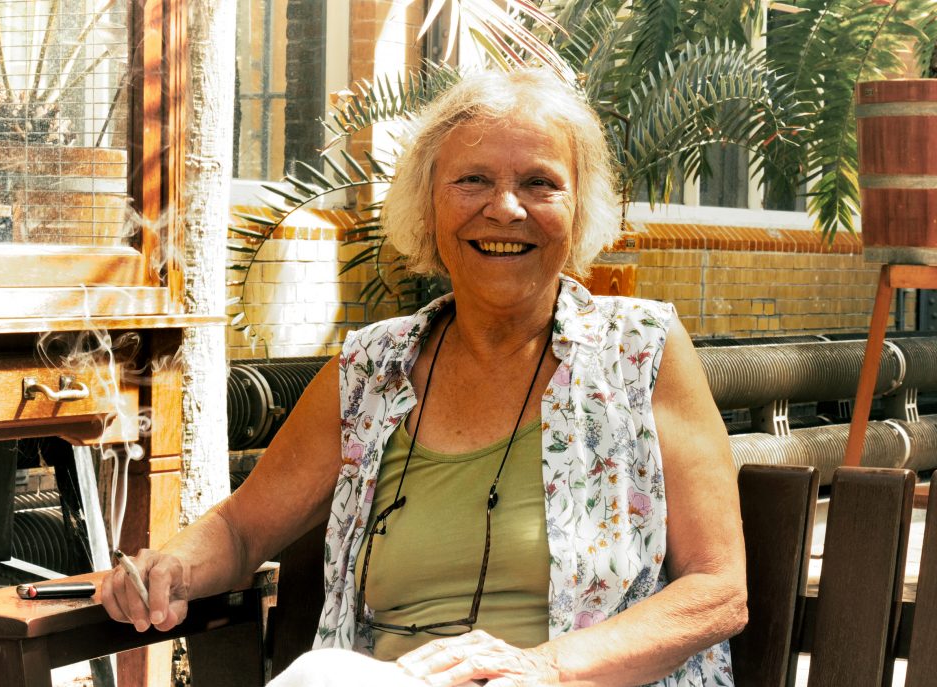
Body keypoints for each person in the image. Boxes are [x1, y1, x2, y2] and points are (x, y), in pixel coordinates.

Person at [101, 68, 747, 687]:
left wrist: (546, 667)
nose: (505, 208)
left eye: (540, 183)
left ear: (579, 210)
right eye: (472, 180)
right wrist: (171, 567)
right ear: (427, 204)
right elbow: (243, 529)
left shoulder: (641, 351)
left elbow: (718, 589)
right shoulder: (368, 372)